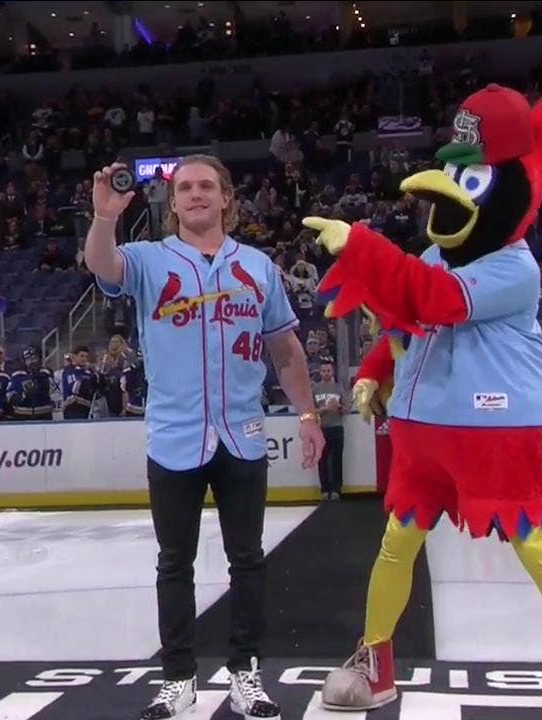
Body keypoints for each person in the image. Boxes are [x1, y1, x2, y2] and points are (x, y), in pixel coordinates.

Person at [84, 155, 325, 720]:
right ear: (172, 202)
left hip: (242, 434)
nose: (195, 194)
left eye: (206, 186)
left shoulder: (258, 267)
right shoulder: (148, 259)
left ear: (225, 198)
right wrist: (105, 218)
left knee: (248, 559)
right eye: (185, 187)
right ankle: (177, 679)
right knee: (175, 562)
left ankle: (246, 674)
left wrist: (309, 416)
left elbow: (285, 350)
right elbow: (103, 264)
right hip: (174, 436)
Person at [313, 360, 348, 500]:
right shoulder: (315, 390)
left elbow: (346, 410)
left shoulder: (339, 389)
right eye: (324, 371)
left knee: (337, 459)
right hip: (321, 428)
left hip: (337, 427)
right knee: (322, 460)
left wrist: (339, 407)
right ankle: (325, 488)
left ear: (332, 372)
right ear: (320, 372)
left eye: (328, 371)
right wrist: (326, 408)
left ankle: (336, 489)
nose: (326, 373)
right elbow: (311, 411)